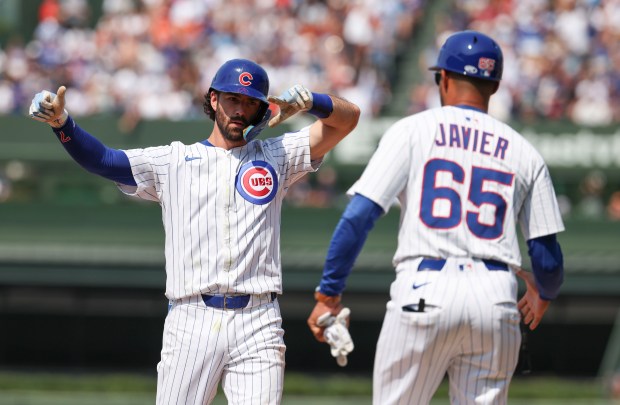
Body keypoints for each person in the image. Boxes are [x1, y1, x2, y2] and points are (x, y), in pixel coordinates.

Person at [29, 58, 360, 405]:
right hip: (192, 316)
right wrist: (62, 124)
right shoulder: (173, 160)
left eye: (250, 102)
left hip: (259, 318)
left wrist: (314, 102)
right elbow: (104, 160)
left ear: (262, 111)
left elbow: (347, 119)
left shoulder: (276, 154)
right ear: (214, 99)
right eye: (233, 98)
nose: (240, 109)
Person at [307, 31, 565, 404]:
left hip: (424, 286)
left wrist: (328, 293)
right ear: (494, 85)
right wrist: (544, 291)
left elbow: (358, 217)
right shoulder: (525, 151)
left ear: (442, 78)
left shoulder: (413, 130)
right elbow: (547, 258)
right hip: (495, 298)